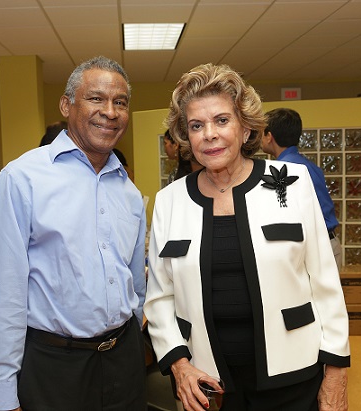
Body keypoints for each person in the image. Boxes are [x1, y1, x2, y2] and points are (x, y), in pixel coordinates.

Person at [143, 64, 350, 411]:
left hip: (293, 376)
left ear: (245, 128)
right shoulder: (170, 200)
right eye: (196, 125)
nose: (209, 134)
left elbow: (326, 285)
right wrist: (179, 366)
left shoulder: (293, 181)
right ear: (185, 136)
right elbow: (160, 297)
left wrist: (337, 372)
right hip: (208, 382)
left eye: (222, 120)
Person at [0, 56, 148, 411]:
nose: (110, 111)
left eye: (120, 102)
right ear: (67, 105)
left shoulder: (129, 192)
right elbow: (3, 293)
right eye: (96, 98)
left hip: (124, 362)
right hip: (55, 367)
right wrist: (1, 392)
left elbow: (135, 282)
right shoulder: (21, 180)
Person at [261, 108, 342, 268]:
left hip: (313, 249)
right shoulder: (309, 166)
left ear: (269, 137)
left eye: (261, 134)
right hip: (329, 243)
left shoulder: (282, 171)